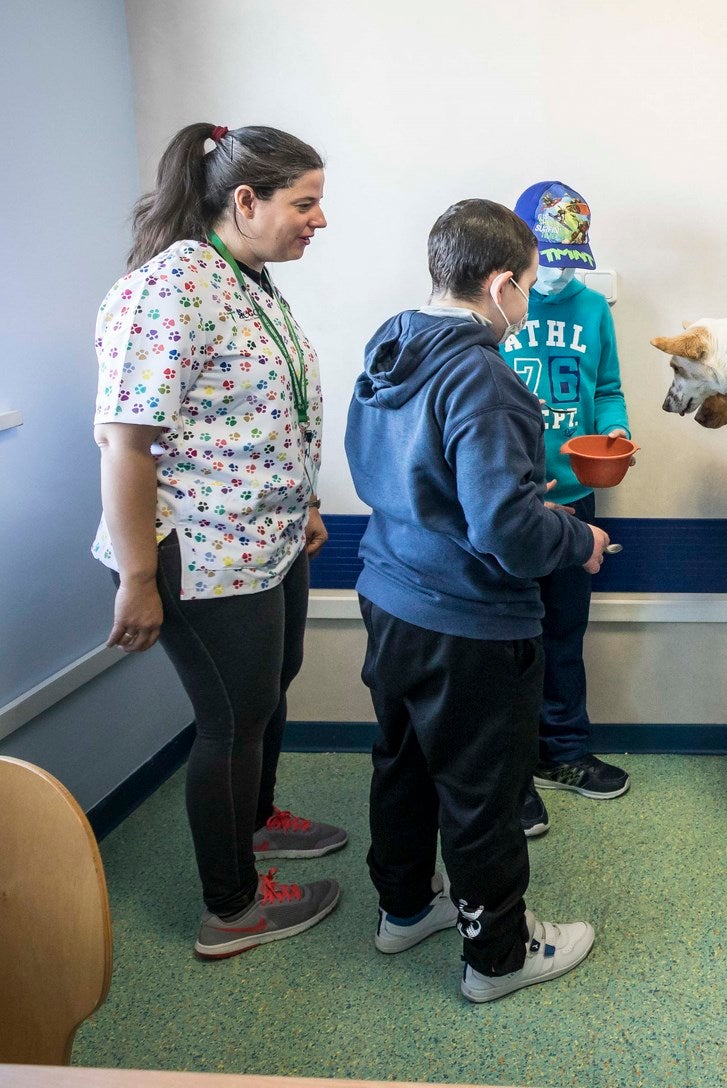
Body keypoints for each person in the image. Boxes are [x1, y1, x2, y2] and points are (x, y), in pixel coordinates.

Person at [346, 198, 610, 1002]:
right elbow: (508, 531)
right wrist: (577, 541)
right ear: (499, 285)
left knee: (403, 763)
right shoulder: (485, 377)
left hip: (390, 593)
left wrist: (521, 516)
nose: (526, 305)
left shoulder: (393, 344)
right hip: (468, 623)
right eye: (526, 287)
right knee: (480, 788)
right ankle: (496, 955)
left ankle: (403, 909)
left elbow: (401, 474)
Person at [93, 122, 346, 959]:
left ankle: (258, 823)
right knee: (231, 718)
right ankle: (230, 908)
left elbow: (261, 410)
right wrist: (138, 576)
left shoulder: (248, 278)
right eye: (304, 203)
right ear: (245, 200)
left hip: (264, 532)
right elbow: (126, 444)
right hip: (198, 547)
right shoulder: (168, 289)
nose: (319, 220)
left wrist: (304, 501)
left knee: (273, 684)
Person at [501, 181, 631, 839]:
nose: (554, 271)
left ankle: (564, 752)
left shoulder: (592, 309)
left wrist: (614, 436)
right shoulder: (495, 311)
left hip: (576, 500)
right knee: (509, 645)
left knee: (564, 636)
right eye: (543, 256)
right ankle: (511, 774)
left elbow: (606, 387)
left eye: (565, 258)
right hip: (512, 504)